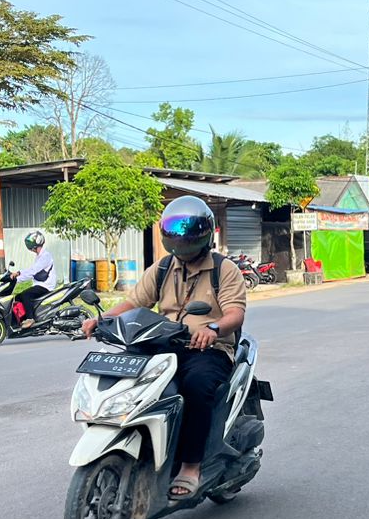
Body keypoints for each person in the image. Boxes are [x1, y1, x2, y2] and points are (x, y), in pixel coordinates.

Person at [81, 197, 247, 499]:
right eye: (174, 230)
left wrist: (212, 329)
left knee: (195, 387)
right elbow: (134, 303)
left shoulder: (225, 270)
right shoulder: (162, 268)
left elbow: (235, 313)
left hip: (208, 350)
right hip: (163, 344)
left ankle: (191, 466)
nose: (181, 237)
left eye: (188, 231)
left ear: (204, 233)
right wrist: (103, 319)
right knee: (130, 383)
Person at [13, 231, 55, 328]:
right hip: (39, 285)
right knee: (18, 297)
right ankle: (22, 321)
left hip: (46, 286)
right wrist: (18, 273)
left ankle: (30, 319)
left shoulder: (45, 256)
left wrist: (17, 279)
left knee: (25, 295)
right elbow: (31, 269)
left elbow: (32, 271)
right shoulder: (39, 256)